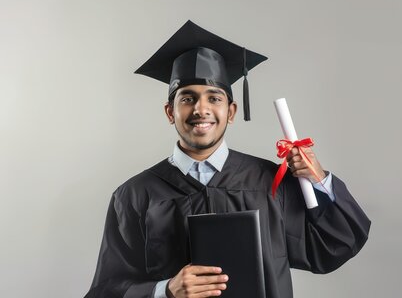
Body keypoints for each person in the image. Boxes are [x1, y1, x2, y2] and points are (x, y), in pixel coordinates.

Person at [84, 20, 371, 298]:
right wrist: (165, 290)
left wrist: (318, 178)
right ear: (170, 112)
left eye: (214, 98)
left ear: (231, 112)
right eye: (187, 98)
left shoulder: (271, 183)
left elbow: (333, 247)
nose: (201, 109)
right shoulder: (134, 196)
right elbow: (106, 290)